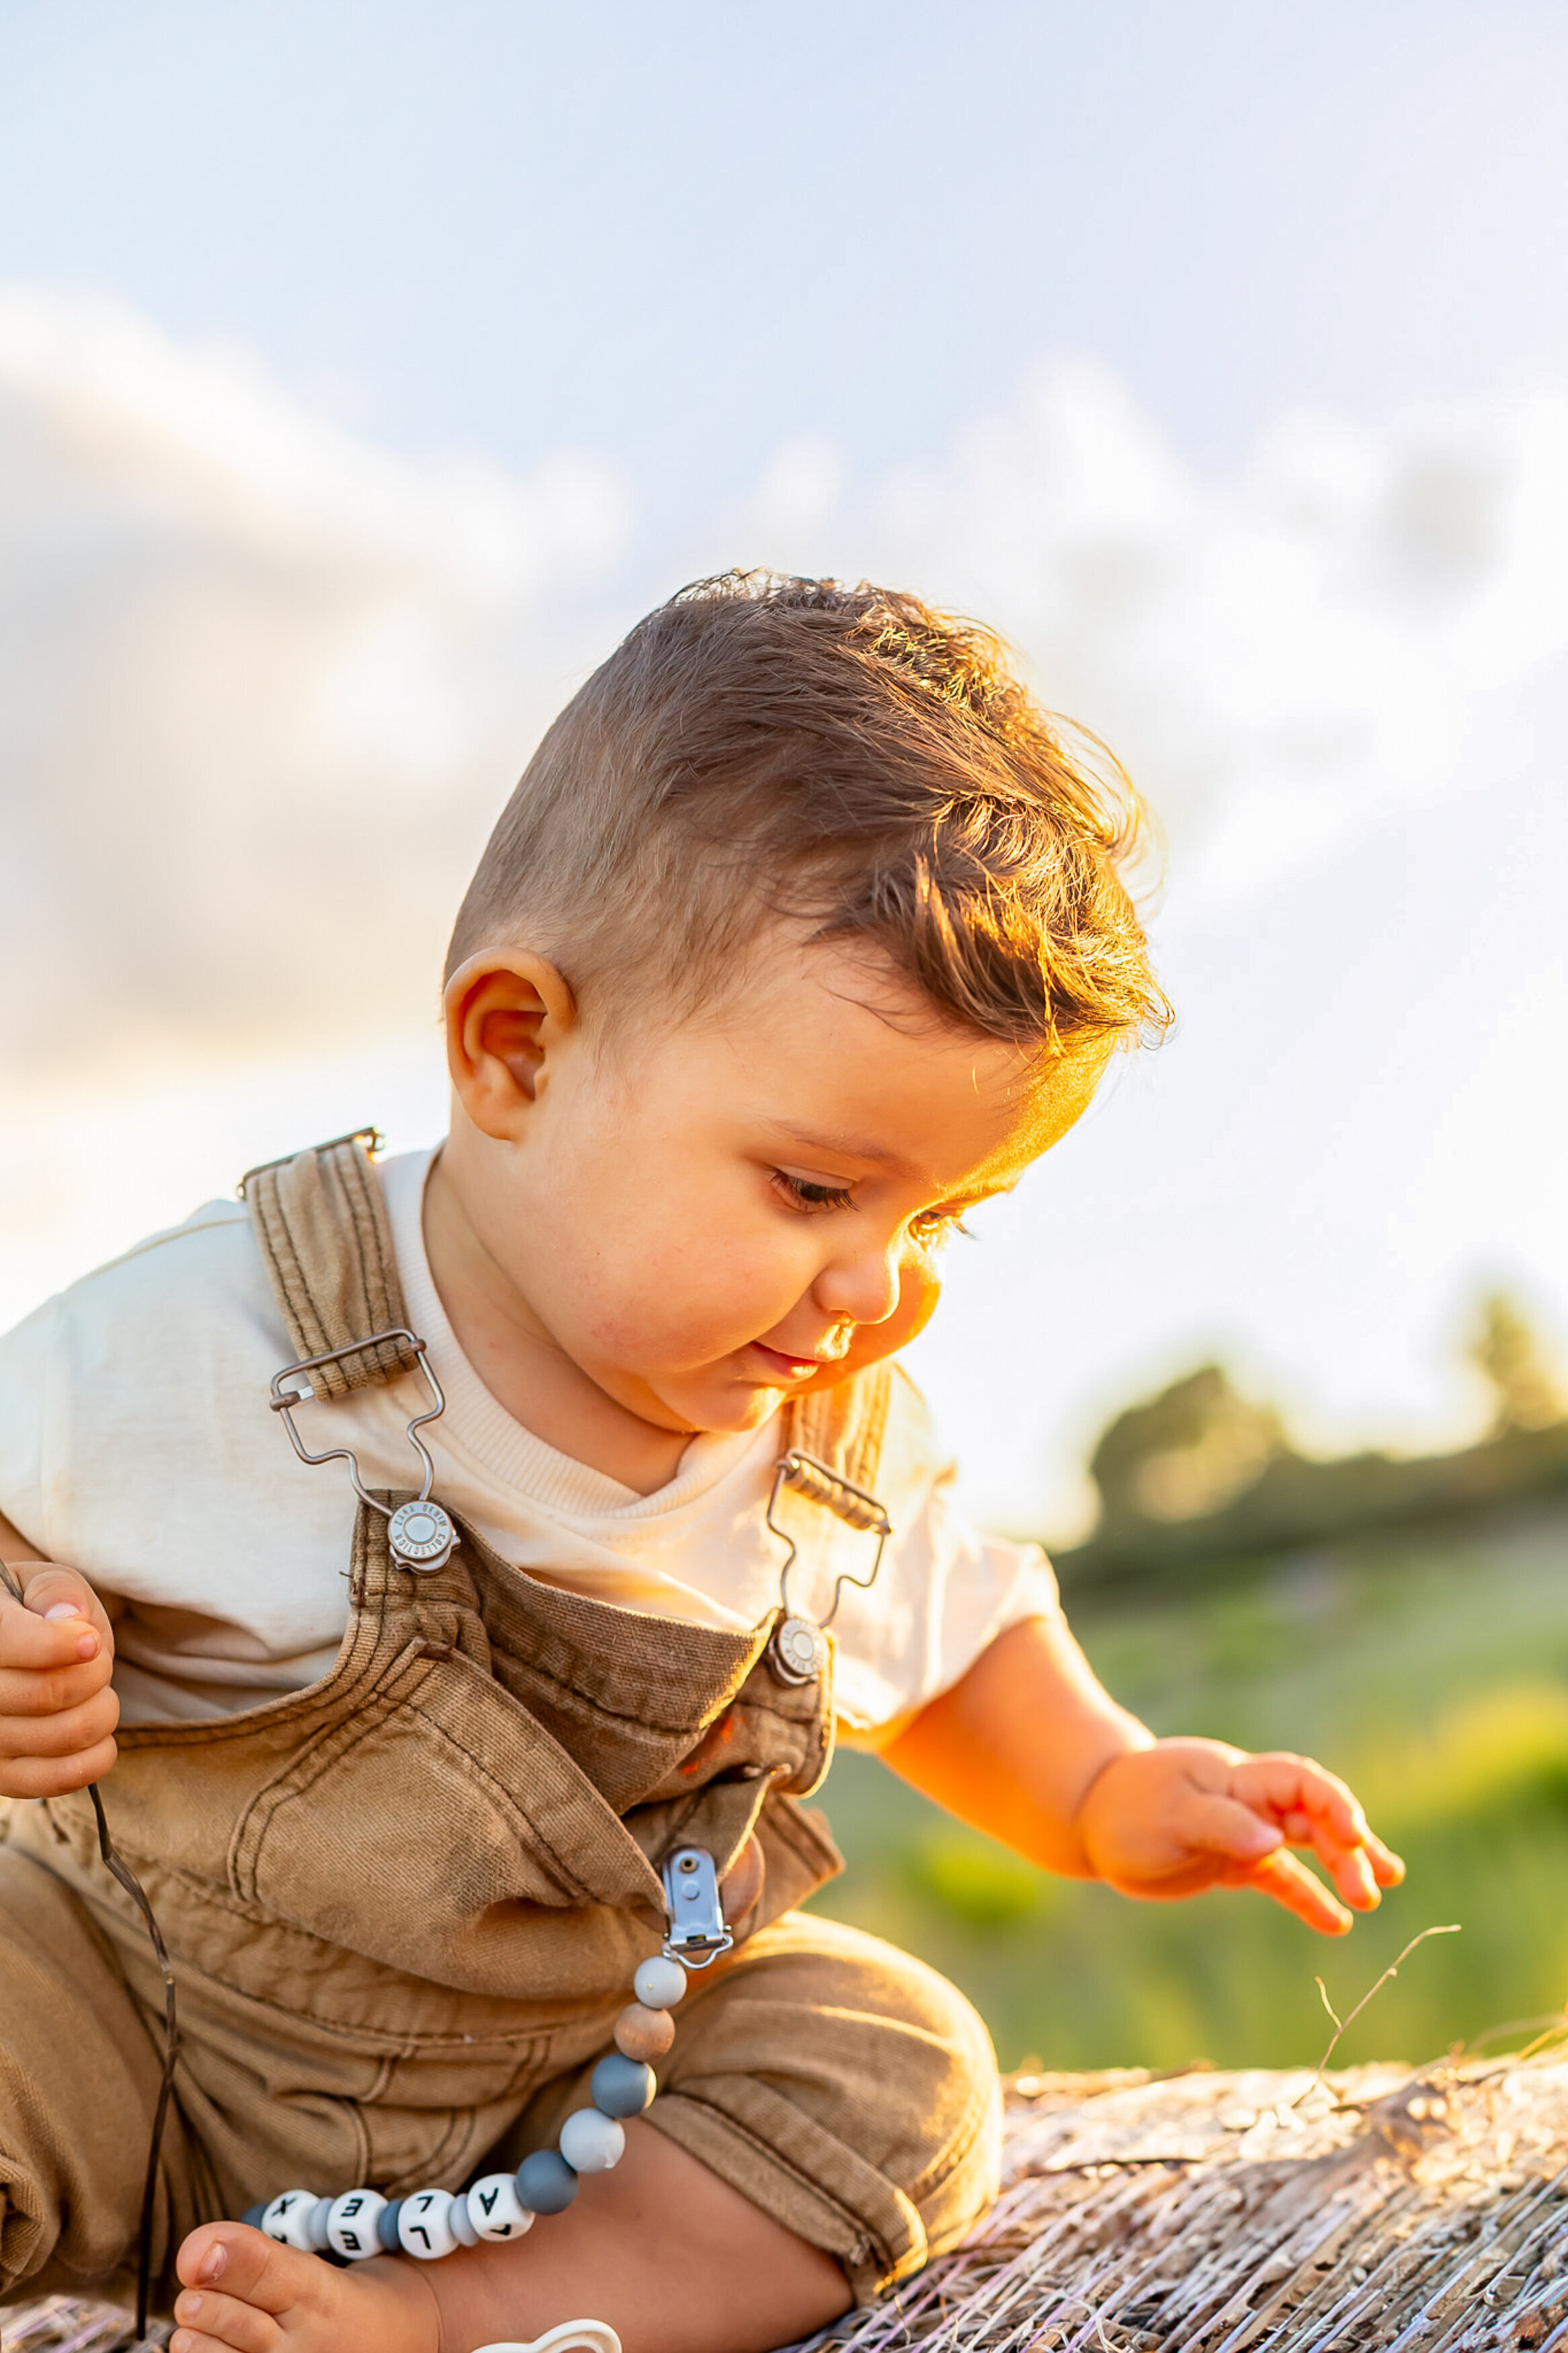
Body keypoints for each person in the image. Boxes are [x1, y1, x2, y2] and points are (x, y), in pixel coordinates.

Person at [0, 574, 1401, 2353]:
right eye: (816, 1188)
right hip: (127, 2025)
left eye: (943, 1218)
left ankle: (451, 2319)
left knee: (900, 2065)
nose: (879, 1288)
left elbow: (961, 1639)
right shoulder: (220, 1333)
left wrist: (1109, 1785)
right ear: (516, 1050)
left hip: (562, 2105)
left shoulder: (835, 1449)